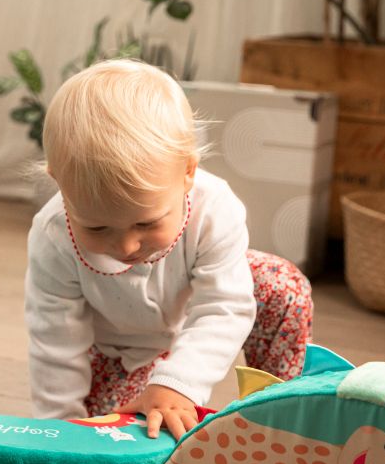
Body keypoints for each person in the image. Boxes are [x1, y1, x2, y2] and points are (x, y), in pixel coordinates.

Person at [25, 59, 312, 440]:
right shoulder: (53, 234)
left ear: (188, 173)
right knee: (123, 437)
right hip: (118, 353)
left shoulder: (214, 208)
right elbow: (55, 341)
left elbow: (223, 306)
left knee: (281, 286)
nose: (126, 246)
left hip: (191, 321)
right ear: (58, 183)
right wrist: (58, 430)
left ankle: (278, 415)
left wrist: (178, 383)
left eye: (146, 223)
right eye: (96, 227)